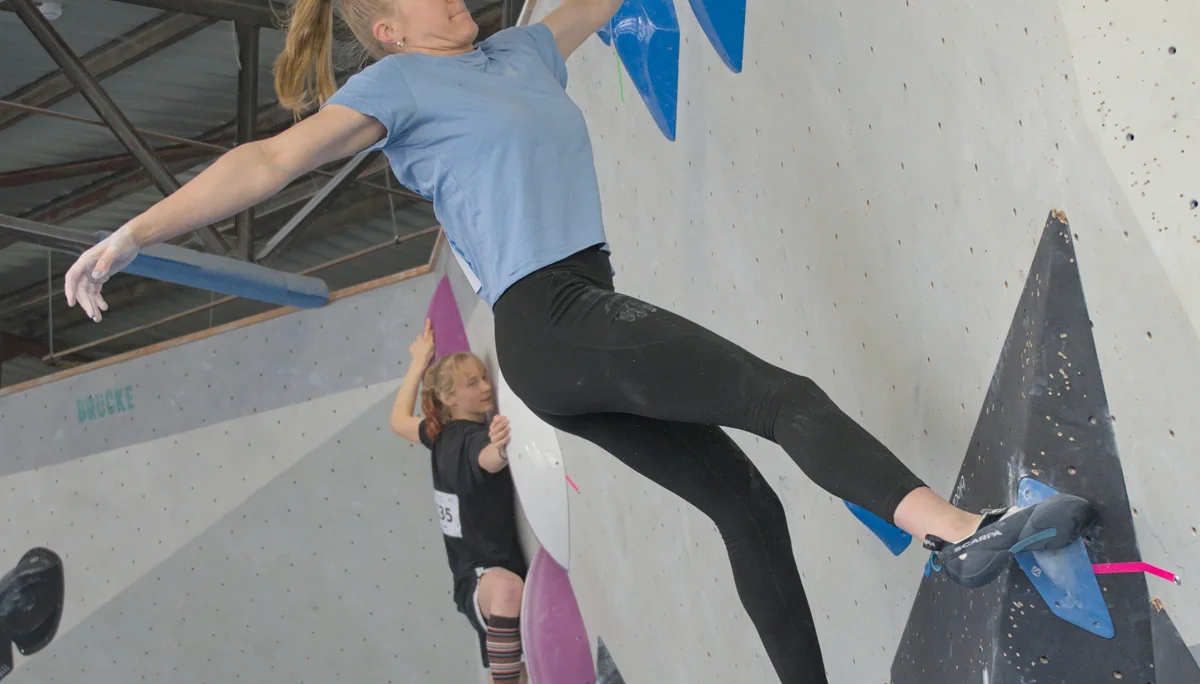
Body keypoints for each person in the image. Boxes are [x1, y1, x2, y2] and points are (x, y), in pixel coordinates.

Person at [59, 0, 1098, 680]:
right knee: (786, 400)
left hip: (570, 331)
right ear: (386, 31)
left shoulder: (520, 52)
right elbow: (266, 162)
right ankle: (956, 535)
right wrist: (136, 233)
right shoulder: (397, 89)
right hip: (550, 321)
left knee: (747, 503)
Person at [390, 319, 528, 684]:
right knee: (508, 589)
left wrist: (420, 363)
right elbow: (485, 459)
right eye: (473, 383)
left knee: (529, 668)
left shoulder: (437, 435)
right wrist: (499, 448)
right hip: (481, 580)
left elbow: (397, 421)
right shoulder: (465, 439)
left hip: (487, 579)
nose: (486, 387)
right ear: (449, 399)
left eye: (484, 377)